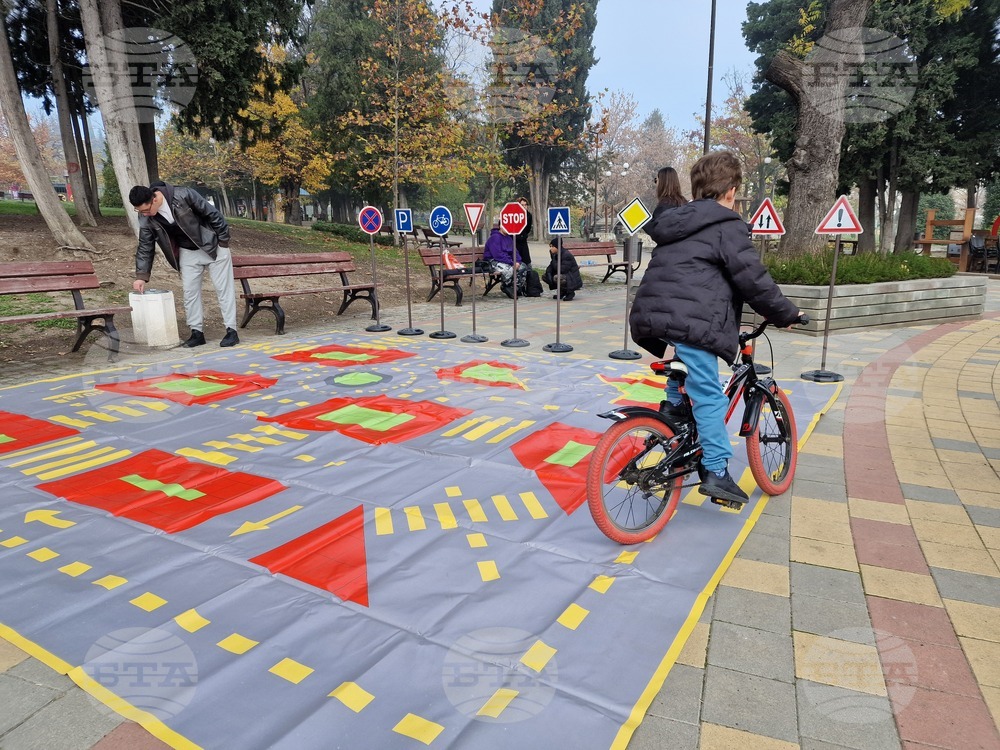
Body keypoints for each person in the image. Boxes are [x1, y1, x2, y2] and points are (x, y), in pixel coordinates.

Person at [629, 151, 800, 505]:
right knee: (708, 394)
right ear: (732, 191)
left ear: (696, 187)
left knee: (682, 363)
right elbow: (753, 279)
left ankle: (673, 410)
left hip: (652, 316)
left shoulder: (674, 220)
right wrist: (785, 314)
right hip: (691, 321)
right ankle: (717, 470)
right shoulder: (727, 225)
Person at [130, 183, 240, 348]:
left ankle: (231, 330)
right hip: (187, 251)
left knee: (224, 289)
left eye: (146, 210)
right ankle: (197, 333)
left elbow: (212, 214)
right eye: (140, 211)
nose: (144, 214)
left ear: (155, 199)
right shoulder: (146, 217)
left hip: (213, 245)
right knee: (190, 292)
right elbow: (146, 245)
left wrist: (223, 241)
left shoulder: (183, 194)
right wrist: (141, 276)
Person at [483, 221, 525, 298]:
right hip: (493, 261)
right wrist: (512, 263)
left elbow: (515, 252)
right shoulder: (495, 238)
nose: (507, 228)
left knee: (522, 266)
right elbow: (497, 255)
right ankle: (506, 286)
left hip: (507, 261)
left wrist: (517, 261)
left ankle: (517, 288)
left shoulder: (509, 238)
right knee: (508, 269)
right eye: (505, 226)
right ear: (500, 226)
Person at [514, 197, 533, 266]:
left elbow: (528, 229)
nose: (524, 207)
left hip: (523, 241)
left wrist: (523, 235)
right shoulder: (513, 215)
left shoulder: (529, 216)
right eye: (522, 205)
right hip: (514, 241)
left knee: (527, 262)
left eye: (525, 205)